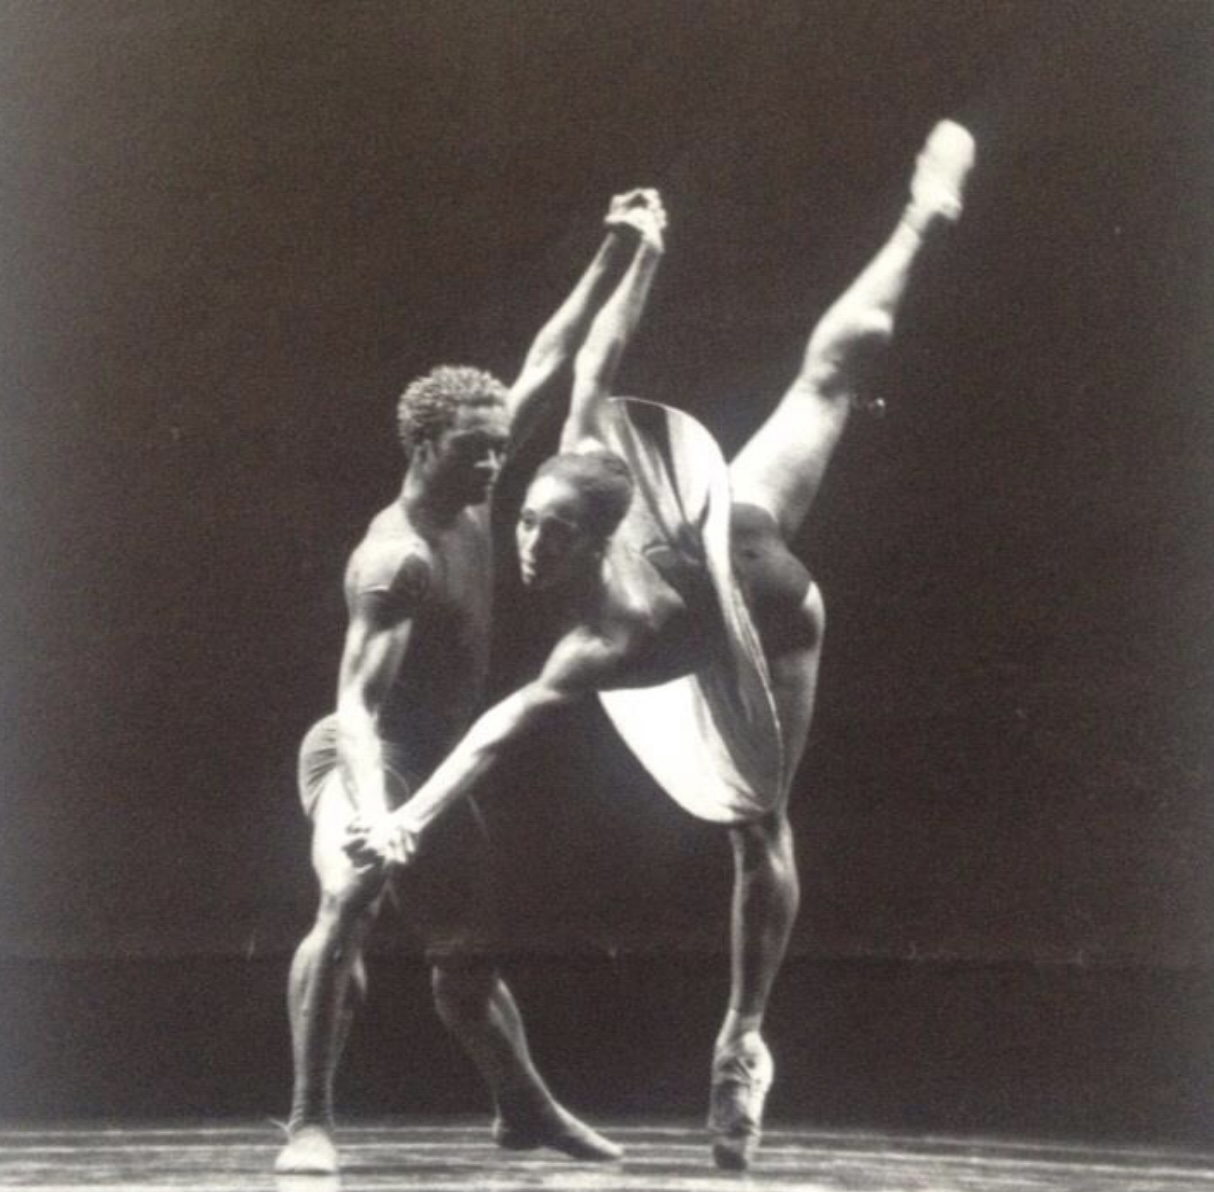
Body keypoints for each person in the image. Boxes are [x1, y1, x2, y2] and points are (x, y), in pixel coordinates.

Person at [346, 121, 976, 1170]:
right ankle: (918, 222)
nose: (529, 541)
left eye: (553, 532)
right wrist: (643, 248)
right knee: (819, 381)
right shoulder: (586, 475)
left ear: (599, 534)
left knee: (757, 819)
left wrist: (406, 813)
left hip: (765, 604)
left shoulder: (613, 621)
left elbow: (501, 727)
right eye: (527, 520)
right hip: (707, 560)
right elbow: (592, 354)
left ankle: (740, 1037)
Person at [276, 190, 669, 1175]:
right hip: (362, 757)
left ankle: (524, 1110)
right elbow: (357, 708)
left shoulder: (477, 484)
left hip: (440, 765)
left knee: (466, 961)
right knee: (349, 898)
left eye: (501, 444)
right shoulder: (397, 554)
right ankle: (308, 1121)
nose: (500, 459)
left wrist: (618, 247)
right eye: (478, 448)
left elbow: (550, 353)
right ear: (424, 448)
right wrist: (375, 811)